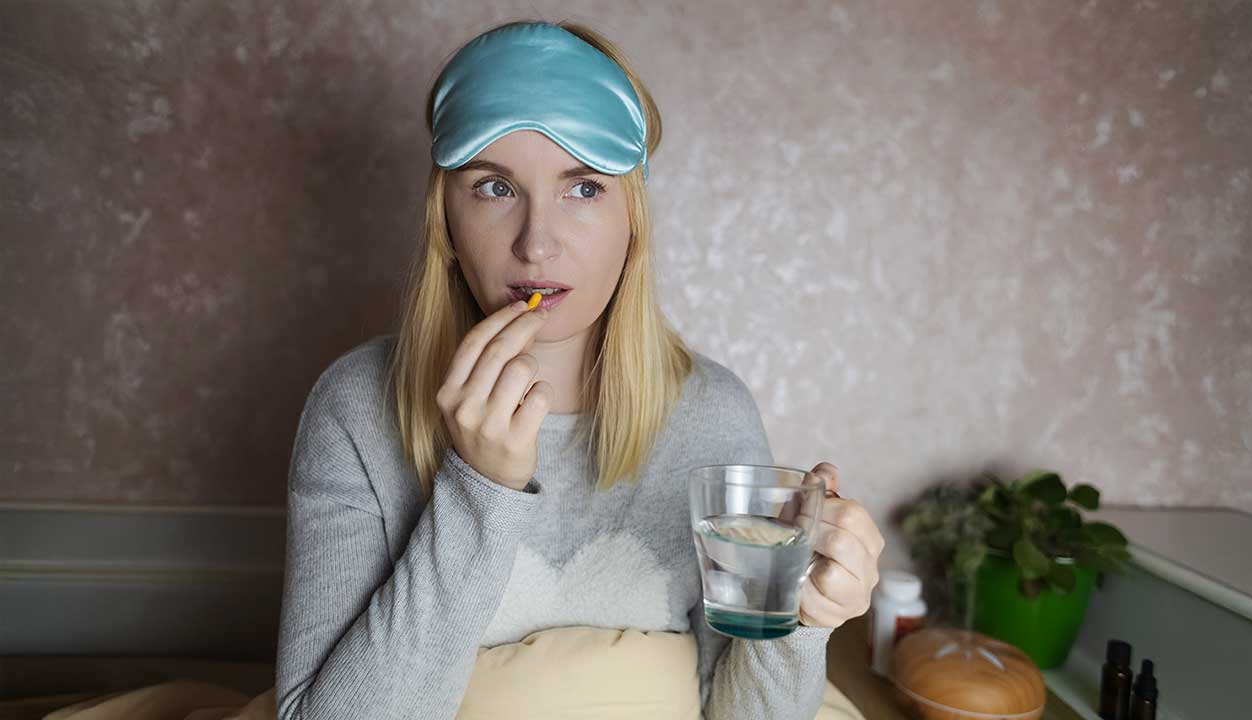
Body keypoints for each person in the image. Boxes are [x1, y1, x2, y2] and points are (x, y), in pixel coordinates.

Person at [274, 19, 884, 720]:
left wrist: (802, 620)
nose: (537, 246)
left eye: (584, 188)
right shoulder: (356, 407)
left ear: (634, 222)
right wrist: (478, 487)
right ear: (444, 218)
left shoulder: (711, 417)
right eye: (495, 188)